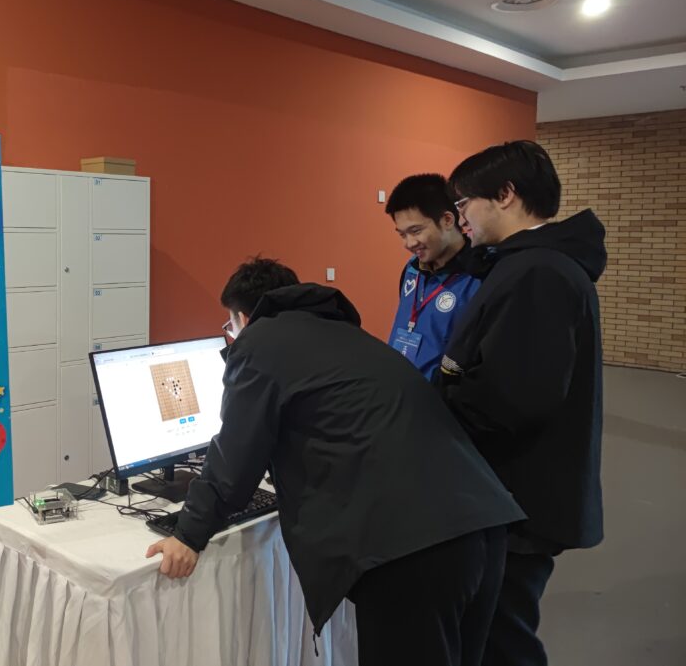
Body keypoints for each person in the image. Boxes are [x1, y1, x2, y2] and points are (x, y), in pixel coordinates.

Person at [146, 257, 526, 666]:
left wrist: (188, 534)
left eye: (230, 326)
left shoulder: (260, 343)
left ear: (242, 319)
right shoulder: (344, 334)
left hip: (411, 546)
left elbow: (233, 456)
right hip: (481, 523)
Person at [439, 140, 606, 666]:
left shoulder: (539, 272)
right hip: (511, 494)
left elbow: (515, 398)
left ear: (505, 194)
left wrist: (439, 402)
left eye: (464, 203)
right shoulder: (524, 264)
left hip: (518, 498)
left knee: (502, 641)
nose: (461, 218)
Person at [385, 174, 481, 380]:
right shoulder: (411, 269)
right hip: (400, 388)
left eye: (416, 231)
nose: (409, 243)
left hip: (443, 396)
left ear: (447, 220)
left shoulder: (480, 275)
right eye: (402, 234)